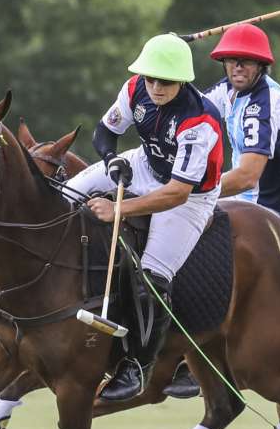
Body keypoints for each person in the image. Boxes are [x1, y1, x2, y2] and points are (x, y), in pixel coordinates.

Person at [63, 33, 224, 400]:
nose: (155, 87)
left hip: (190, 196)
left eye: (164, 81)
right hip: (145, 162)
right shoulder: (136, 88)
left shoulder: (199, 121)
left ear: (182, 80)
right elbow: (105, 132)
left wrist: (118, 208)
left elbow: (177, 192)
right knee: (64, 196)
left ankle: (137, 366)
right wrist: (111, 160)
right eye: (150, 77)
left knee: (152, 276)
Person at [204, 23, 280, 224]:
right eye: (232, 59)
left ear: (260, 65)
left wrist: (189, 189)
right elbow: (189, 112)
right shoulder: (226, 89)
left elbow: (247, 177)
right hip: (237, 200)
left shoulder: (265, 100)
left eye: (247, 60)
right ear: (224, 62)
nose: (238, 67)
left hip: (273, 212)